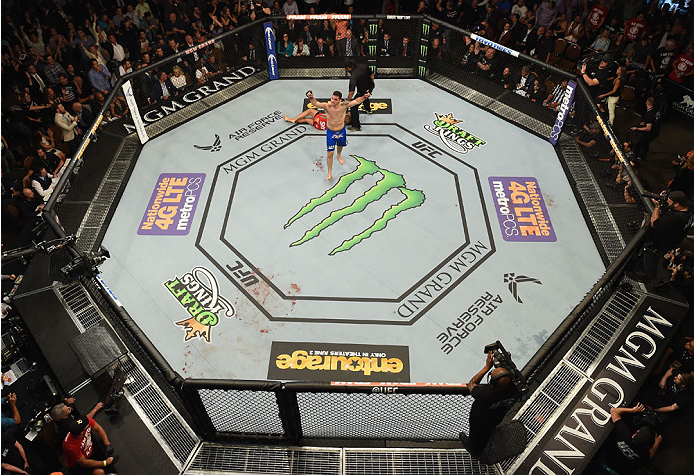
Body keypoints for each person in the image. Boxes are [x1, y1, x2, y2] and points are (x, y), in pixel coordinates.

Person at [459, 352, 518, 456]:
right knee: (489, 430)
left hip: (480, 420)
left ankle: (474, 450)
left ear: (492, 383)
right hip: (497, 416)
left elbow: (471, 384)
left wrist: (487, 367)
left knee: (477, 438)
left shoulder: (485, 394)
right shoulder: (514, 389)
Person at [307, 89, 371, 181]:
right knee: (330, 153)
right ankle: (329, 172)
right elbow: (316, 103)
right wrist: (311, 97)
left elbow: (356, 101)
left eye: (335, 99)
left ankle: (339, 155)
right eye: (332, 98)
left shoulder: (344, 105)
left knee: (340, 145)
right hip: (331, 132)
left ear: (340, 100)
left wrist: (365, 97)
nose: (333, 101)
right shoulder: (327, 106)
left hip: (341, 131)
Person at [605, 403, 663, 473]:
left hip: (607, 459)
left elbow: (614, 411)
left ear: (634, 435)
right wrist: (657, 443)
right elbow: (650, 455)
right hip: (622, 471)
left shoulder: (625, 434)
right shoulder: (643, 452)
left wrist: (633, 410)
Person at [345, 59, 374, 132]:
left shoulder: (353, 76)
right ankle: (368, 109)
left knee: (353, 106)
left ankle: (356, 126)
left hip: (363, 90)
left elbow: (351, 92)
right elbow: (372, 74)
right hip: (369, 86)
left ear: (349, 68)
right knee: (365, 96)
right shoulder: (363, 66)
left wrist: (347, 101)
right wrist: (371, 84)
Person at [631, 96, 660, 161]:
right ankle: (642, 156)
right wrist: (646, 122)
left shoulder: (649, 115)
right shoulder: (656, 109)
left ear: (646, 102)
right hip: (656, 129)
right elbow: (653, 120)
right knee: (645, 143)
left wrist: (637, 129)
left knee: (639, 144)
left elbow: (648, 128)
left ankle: (634, 158)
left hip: (651, 132)